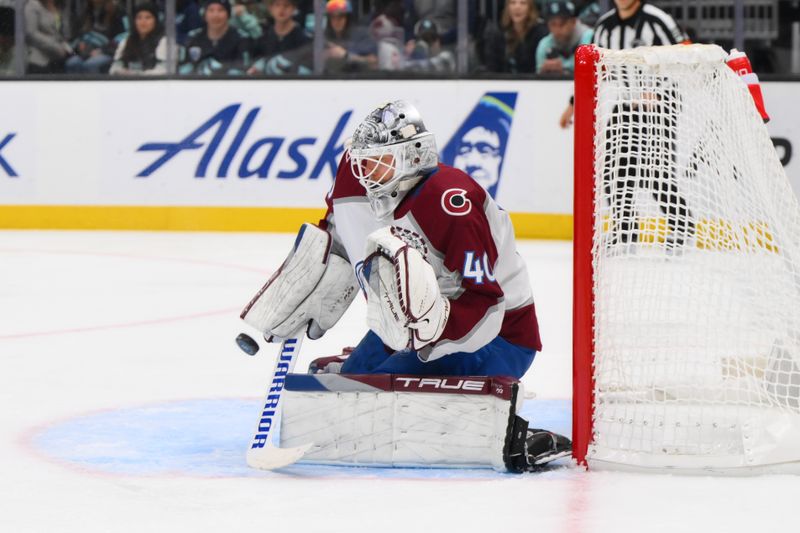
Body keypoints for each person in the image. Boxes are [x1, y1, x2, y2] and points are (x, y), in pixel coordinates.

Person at [241, 100, 570, 470]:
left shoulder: (450, 202)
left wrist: (424, 345)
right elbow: (339, 239)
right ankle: (377, 362)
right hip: (402, 321)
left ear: (411, 156)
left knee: (379, 401)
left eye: (375, 161)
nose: (362, 170)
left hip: (498, 335)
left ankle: (515, 435)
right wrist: (310, 285)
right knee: (350, 393)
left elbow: (487, 305)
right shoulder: (354, 174)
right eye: (360, 158)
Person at [575, 0, 692, 249]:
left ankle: (683, 225)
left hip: (661, 104)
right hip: (628, 104)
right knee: (614, 168)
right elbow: (592, 67)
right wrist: (573, 102)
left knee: (656, 170)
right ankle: (625, 230)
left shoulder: (658, 20)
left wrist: (658, 91)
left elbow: (685, 54)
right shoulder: (605, 26)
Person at [180, 0, 250, 75]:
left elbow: (242, 70)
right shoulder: (193, 37)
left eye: (220, 10)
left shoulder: (241, 38)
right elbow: (184, 68)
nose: (215, 15)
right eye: (211, 10)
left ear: (228, 14)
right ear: (204, 14)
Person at [482, 0, 548, 74]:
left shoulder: (540, 33)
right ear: (508, 7)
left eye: (523, 3)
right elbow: (492, 67)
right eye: (513, 3)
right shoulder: (498, 33)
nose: (517, 7)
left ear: (530, 8)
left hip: (532, 82)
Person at [247, 0, 310, 75]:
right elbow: (255, 62)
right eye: (277, 5)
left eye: (286, 5)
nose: (281, 9)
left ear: (294, 9)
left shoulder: (303, 39)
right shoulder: (264, 37)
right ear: (270, 9)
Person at [65, 0, 125, 74]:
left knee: (90, 65)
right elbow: (80, 34)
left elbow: (123, 37)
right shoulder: (87, 11)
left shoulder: (118, 12)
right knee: (72, 63)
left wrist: (102, 50)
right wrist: (80, 44)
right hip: (86, 52)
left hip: (107, 52)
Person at [535, 0, 593, 75]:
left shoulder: (589, 36)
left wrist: (563, 67)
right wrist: (543, 70)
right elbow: (537, 75)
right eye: (553, 24)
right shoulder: (545, 44)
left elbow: (589, 68)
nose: (557, 29)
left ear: (573, 22)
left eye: (562, 24)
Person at [109, 3, 166, 75]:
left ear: (155, 21)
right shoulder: (126, 41)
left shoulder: (163, 42)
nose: (143, 21)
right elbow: (114, 68)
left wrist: (137, 74)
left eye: (148, 17)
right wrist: (120, 72)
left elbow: (163, 70)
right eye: (139, 18)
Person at [322, 0, 377, 74]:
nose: (336, 21)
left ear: (348, 18)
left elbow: (374, 62)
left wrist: (346, 55)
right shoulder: (324, 37)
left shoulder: (361, 35)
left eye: (340, 17)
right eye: (333, 17)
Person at [24, 0, 73, 74]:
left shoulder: (60, 6)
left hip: (57, 60)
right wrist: (56, 47)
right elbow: (31, 33)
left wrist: (67, 47)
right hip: (39, 61)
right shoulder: (33, 5)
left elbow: (58, 33)